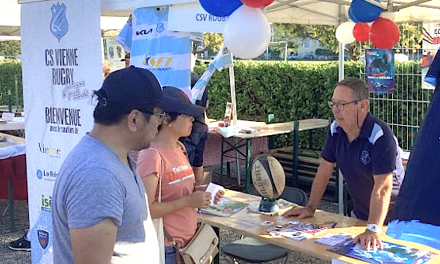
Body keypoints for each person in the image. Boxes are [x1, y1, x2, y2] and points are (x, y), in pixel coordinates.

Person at [52, 66, 175, 263]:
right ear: (134, 119)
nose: (161, 122)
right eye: (158, 115)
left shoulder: (115, 159)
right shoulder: (97, 175)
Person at [283, 77, 404, 251]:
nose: (335, 110)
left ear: (363, 105)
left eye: (341, 104)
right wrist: (310, 207)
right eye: (332, 104)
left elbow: (383, 187)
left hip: (394, 222)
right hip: (361, 215)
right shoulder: (335, 130)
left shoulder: (380, 136)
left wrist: (373, 228)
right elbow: (324, 170)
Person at [136, 86, 223, 264]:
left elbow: (182, 189)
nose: (192, 119)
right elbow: (145, 210)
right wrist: (189, 201)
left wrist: (202, 190)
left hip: (189, 242)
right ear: (166, 119)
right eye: (186, 114)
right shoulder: (151, 156)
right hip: (168, 247)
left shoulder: (180, 148)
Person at [180, 53, 209, 185]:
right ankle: (198, 189)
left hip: (189, 128)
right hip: (201, 125)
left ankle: (191, 193)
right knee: (198, 162)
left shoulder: (182, 81)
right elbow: (205, 104)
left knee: (186, 163)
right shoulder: (201, 80)